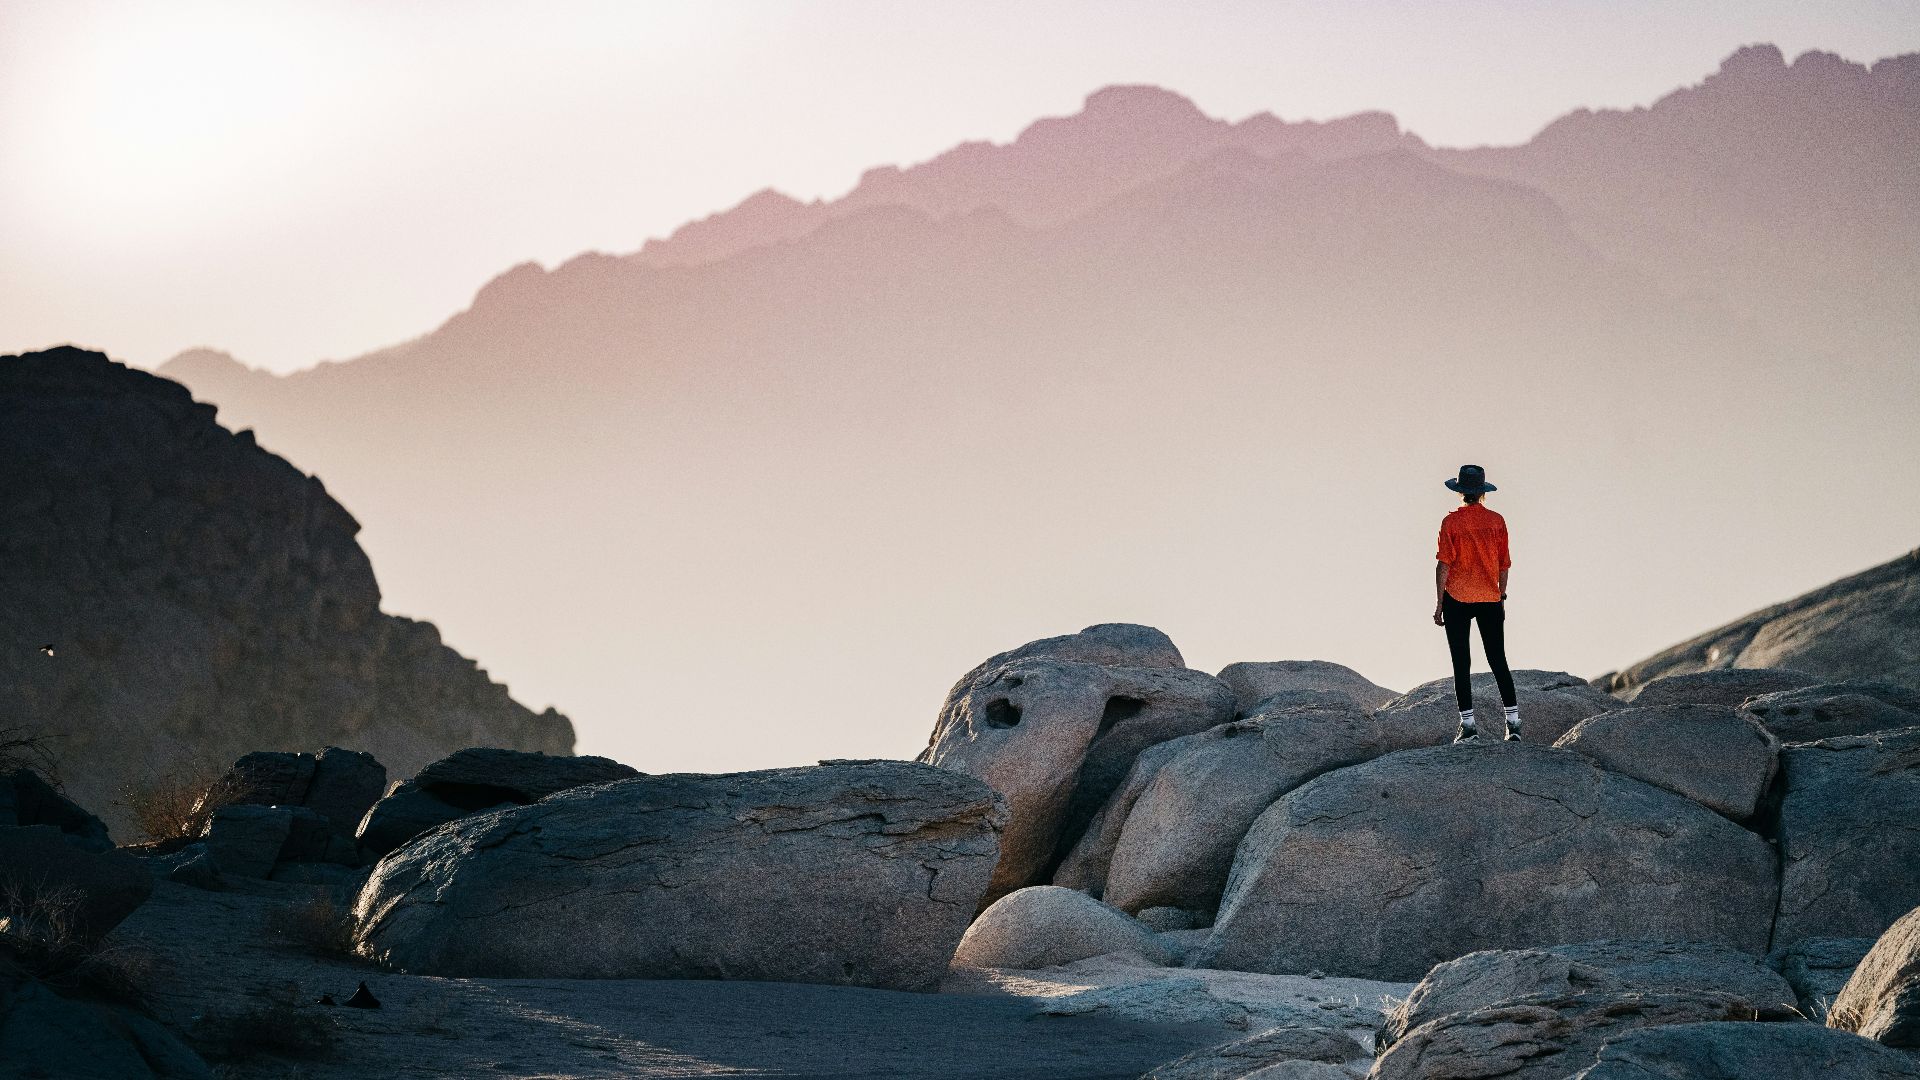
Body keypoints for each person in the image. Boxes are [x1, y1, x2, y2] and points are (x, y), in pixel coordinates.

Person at [1432, 464, 1519, 742]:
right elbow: (1504, 565)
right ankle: (1514, 723)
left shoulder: (1451, 523)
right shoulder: (1497, 521)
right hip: (1490, 598)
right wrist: (1501, 595)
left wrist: (1439, 602)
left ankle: (1469, 728)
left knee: (1461, 663)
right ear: (1483, 492)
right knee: (1498, 660)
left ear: (1460, 492)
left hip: (1457, 598)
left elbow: (1443, 566)